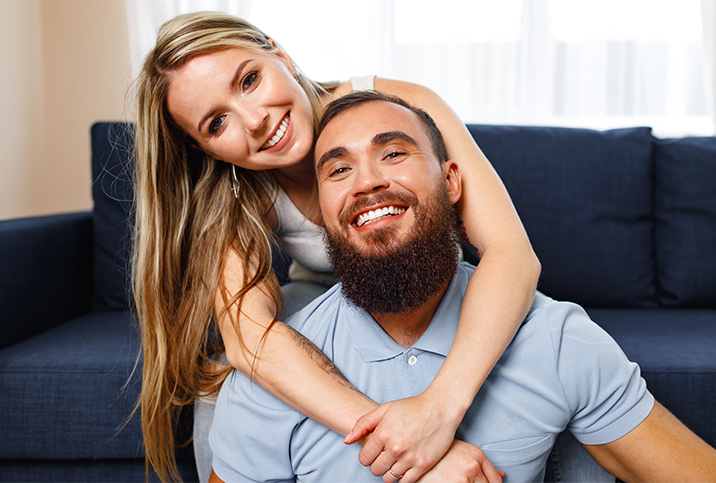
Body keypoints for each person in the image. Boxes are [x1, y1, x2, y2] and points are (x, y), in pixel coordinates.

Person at [208, 90, 716, 482]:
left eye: (393, 154)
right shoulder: (272, 380)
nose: (365, 182)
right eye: (339, 169)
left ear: (452, 181)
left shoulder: (557, 340)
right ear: (321, 211)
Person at [132, 11, 541, 483]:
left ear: (278, 53)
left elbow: (511, 251)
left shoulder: (397, 106)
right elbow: (250, 341)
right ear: (208, 150)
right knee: (227, 383)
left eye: (249, 80)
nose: (256, 120)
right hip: (324, 296)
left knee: (542, 346)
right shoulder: (233, 192)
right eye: (217, 122)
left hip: (422, 280)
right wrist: (402, 440)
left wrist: (440, 409)